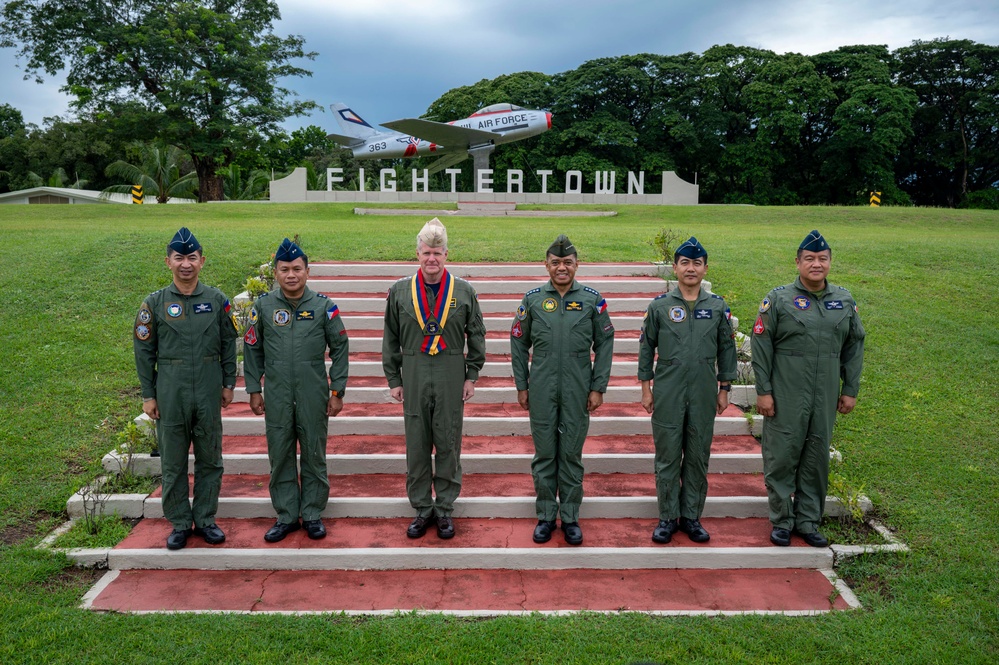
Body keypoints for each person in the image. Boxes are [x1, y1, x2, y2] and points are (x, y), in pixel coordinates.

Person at [752, 230, 865, 547]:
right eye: (810, 259)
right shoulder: (778, 300)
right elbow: (761, 347)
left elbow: (854, 346)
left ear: (829, 262)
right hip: (787, 389)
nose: (817, 264)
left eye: (823, 258)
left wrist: (850, 388)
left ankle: (808, 521)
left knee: (816, 457)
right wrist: (764, 390)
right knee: (782, 456)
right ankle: (782, 521)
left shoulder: (843, 300)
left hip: (825, 390)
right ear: (798, 262)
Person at [133, 227, 238, 550]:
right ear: (168, 262)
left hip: (207, 385)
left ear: (202, 261)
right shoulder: (155, 303)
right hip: (170, 388)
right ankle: (179, 522)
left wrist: (228, 382)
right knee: (174, 461)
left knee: (210, 457)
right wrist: (149, 395)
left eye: (192, 257)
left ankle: (205, 519)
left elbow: (228, 343)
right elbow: (143, 352)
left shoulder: (217, 300)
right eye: (179, 258)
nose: (186, 264)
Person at [382, 218, 487, 540]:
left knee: (448, 442)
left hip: (450, 368)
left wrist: (472, 375)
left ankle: (443, 509)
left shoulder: (464, 291)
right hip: (413, 368)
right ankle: (421, 508)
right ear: (417, 253)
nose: (432, 259)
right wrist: (394, 378)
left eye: (438, 253)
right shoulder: (400, 291)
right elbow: (390, 336)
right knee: (416, 444)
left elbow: (477, 334)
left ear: (446, 254)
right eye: (427, 252)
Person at [510, 234, 615, 546]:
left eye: (567, 262)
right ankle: (545, 516)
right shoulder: (531, 300)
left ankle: (569, 516)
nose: (561, 267)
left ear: (576, 265)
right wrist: (521, 384)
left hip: (578, 385)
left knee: (570, 453)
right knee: (544, 454)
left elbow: (606, 341)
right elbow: (518, 341)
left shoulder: (592, 300)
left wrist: (598, 386)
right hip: (541, 386)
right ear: (546, 265)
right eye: (555, 262)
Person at [243, 238, 349, 542]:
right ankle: (287, 515)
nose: (291, 274)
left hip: (313, 392)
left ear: (307, 271)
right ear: (276, 272)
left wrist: (337, 390)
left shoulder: (324, 307)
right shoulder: (263, 307)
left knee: (314, 452)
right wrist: (254, 388)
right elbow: (252, 349)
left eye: (297, 269)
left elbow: (340, 347)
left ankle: (313, 513)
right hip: (276, 393)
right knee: (280, 453)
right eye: (285, 269)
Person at [637, 237, 737, 544]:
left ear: (705, 268)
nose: (690, 268)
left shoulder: (717, 307)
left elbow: (726, 349)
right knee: (667, 455)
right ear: (675, 267)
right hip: (667, 390)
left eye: (696, 263)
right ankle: (668, 517)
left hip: (704, 391)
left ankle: (691, 517)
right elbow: (646, 347)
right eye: (685, 263)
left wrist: (725, 389)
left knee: (697, 455)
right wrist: (645, 387)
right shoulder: (660, 307)